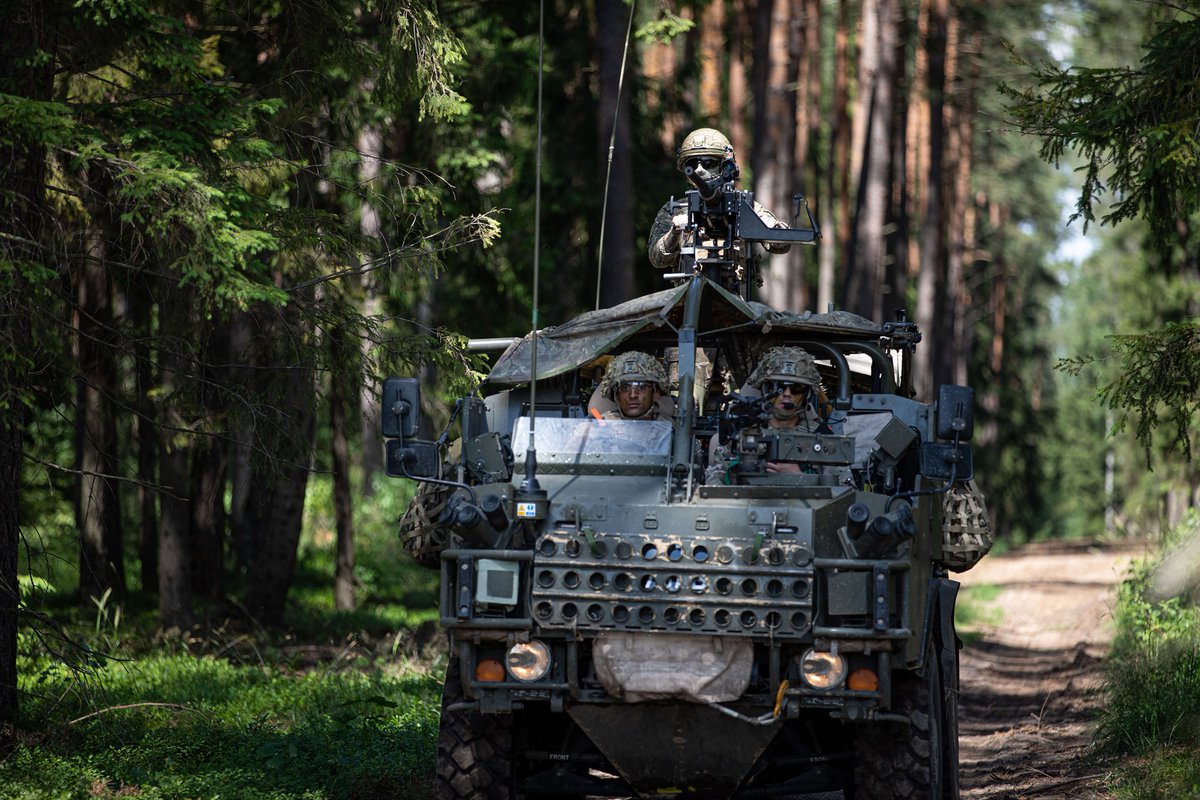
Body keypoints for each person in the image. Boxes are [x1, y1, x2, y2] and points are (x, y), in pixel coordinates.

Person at [647, 127, 792, 274]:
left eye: (708, 163)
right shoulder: (675, 210)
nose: (699, 170)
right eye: (692, 164)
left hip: (732, 295)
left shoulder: (744, 205)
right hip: (690, 294)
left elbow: (780, 245)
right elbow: (656, 259)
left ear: (725, 166)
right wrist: (674, 233)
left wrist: (774, 229)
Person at [706, 346, 827, 483]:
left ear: (807, 395)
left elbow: (844, 491)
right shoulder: (741, 433)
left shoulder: (822, 437)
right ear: (765, 390)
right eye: (778, 387)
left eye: (796, 389)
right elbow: (714, 483)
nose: (786, 394)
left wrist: (800, 477)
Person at [588, 351, 675, 421]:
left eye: (641, 387)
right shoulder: (600, 428)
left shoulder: (673, 431)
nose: (633, 395)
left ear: (656, 393)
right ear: (616, 395)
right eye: (625, 388)